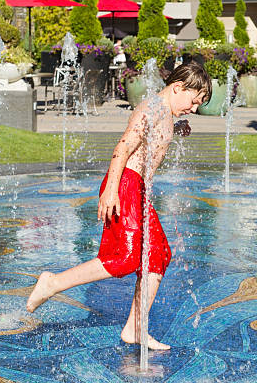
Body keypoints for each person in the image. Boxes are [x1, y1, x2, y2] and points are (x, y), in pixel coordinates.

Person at [26, 62, 211, 350]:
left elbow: (149, 138)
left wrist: (176, 128)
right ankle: (53, 282)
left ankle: (135, 328)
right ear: (179, 88)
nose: (194, 109)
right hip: (124, 185)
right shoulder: (152, 108)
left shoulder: (163, 111)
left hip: (137, 189)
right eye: (194, 101)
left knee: (158, 254)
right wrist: (111, 190)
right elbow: (123, 147)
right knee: (125, 258)